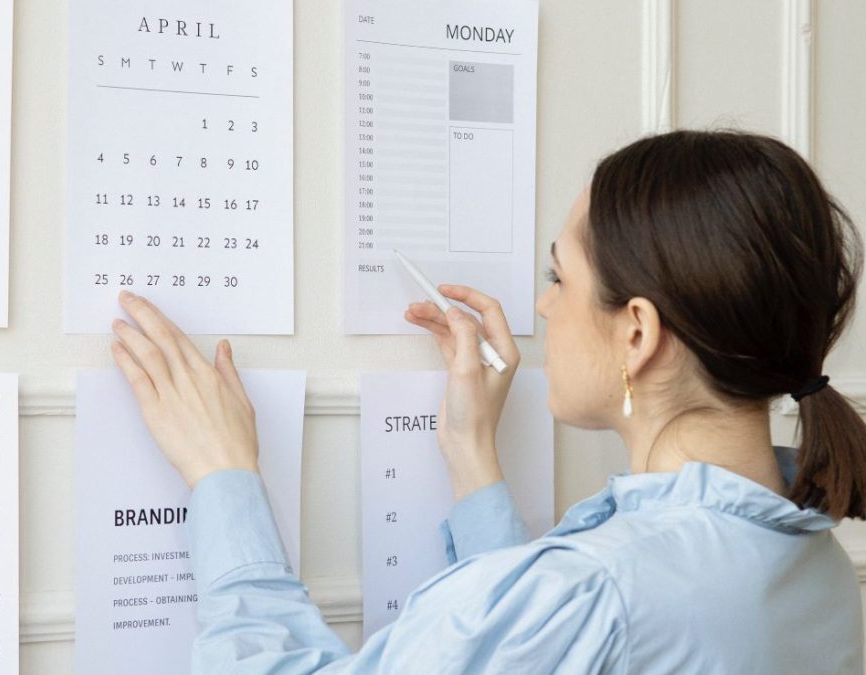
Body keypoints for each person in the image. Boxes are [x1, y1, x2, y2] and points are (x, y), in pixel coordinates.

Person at [109, 130, 866, 673]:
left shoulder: (594, 592)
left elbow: (573, 618)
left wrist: (223, 476)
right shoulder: (819, 564)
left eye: (559, 276)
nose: (542, 305)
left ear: (637, 331)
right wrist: (472, 454)